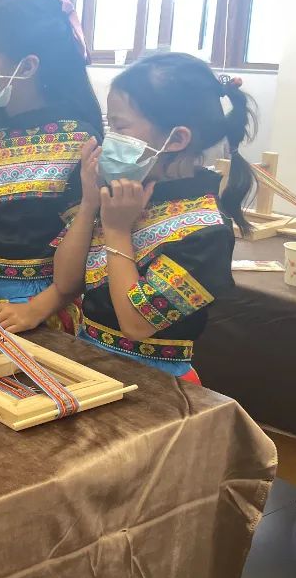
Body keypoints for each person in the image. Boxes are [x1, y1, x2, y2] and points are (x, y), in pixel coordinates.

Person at [52, 54, 252, 383]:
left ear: (177, 139)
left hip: (155, 382)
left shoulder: (206, 230)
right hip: (89, 361)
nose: (109, 139)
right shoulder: (124, 195)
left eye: (120, 127)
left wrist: (116, 231)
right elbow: (65, 281)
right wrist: (89, 204)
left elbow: (136, 323)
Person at [0, 0, 103, 333]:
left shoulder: (78, 138)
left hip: (39, 310)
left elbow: (86, 240)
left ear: (28, 66)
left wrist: (38, 307)